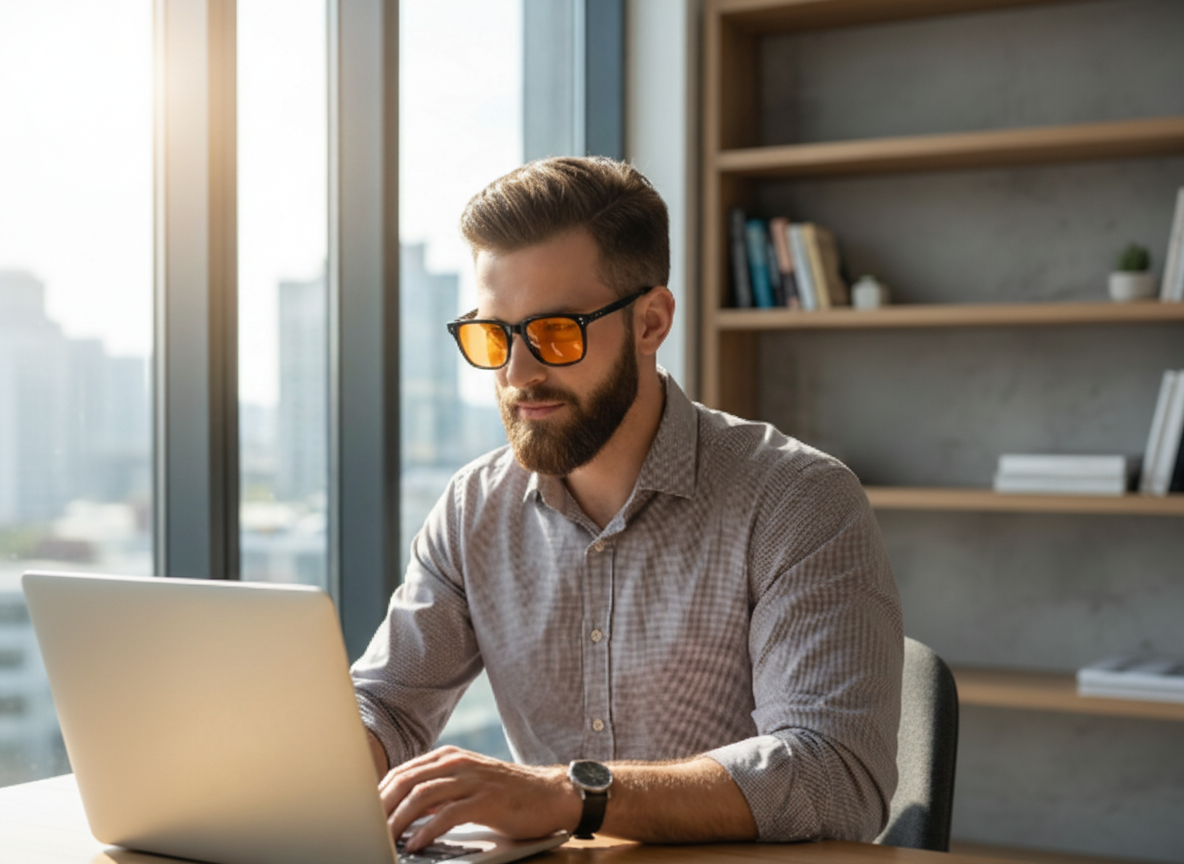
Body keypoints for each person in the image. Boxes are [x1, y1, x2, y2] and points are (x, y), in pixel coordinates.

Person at [351, 156, 903, 852]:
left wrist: (568, 796)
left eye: (555, 332)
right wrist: (303, 767)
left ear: (650, 322)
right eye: (496, 335)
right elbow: (388, 706)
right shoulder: (473, 508)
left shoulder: (798, 500)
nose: (518, 375)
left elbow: (835, 778)